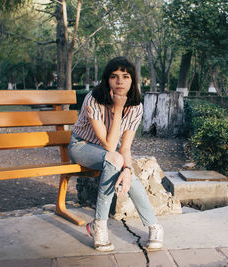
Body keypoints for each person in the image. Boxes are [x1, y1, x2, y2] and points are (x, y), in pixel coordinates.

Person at [68, 56, 164, 252]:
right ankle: (102, 226)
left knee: (122, 166)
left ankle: (151, 226)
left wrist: (127, 171)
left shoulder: (136, 107)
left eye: (125, 76)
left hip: (110, 154)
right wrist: (118, 109)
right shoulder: (93, 99)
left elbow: (124, 148)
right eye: (114, 76)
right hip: (81, 147)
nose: (120, 81)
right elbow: (110, 144)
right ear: (107, 80)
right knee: (115, 159)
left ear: (132, 80)